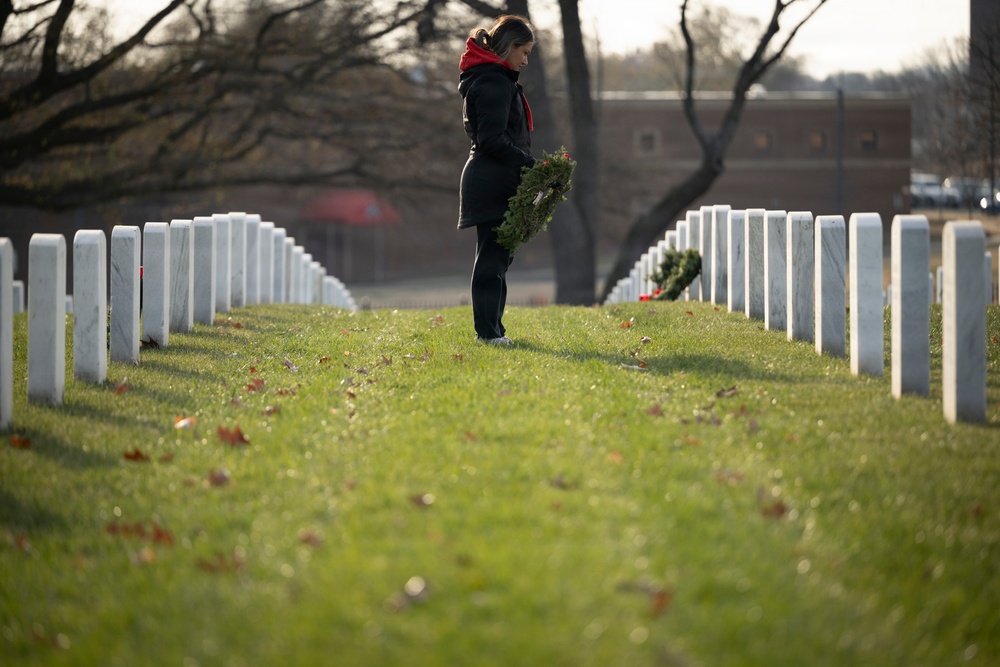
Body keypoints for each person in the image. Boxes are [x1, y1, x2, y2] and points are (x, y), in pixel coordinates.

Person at [457, 15, 535, 346]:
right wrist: (530, 164)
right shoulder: (493, 84)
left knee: (500, 259)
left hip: (498, 181)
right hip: (490, 184)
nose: (526, 60)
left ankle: (495, 330)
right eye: (524, 52)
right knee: (491, 261)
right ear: (508, 48)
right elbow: (491, 140)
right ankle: (487, 334)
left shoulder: (498, 80)